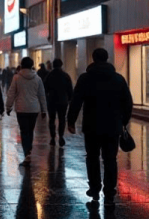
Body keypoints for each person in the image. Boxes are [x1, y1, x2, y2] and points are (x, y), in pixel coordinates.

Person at [68, 48, 133, 206]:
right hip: (113, 126)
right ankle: (110, 193)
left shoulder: (85, 78)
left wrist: (70, 121)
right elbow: (128, 102)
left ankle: (95, 189)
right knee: (110, 159)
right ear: (107, 58)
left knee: (92, 158)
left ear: (93, 58)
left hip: (91, 126)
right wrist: (123, 121)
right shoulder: (118, 79)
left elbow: (76, 101)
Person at [6, 57, 48, 166]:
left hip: (21, 109)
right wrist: (44, 110)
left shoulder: (16, 78)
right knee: (30, 130)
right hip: (34, 109)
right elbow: (42, 95)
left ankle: (27, 154)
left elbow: (11, 93)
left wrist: (8, 106)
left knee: (24, 131)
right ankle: (29, 151)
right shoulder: (37, 78)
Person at [44, 58, 74, 148]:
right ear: (61, 65)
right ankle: (61, 136)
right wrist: (69, 99)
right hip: (63, 101)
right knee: (62, 119)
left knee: (52, 119)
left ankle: (52, 138)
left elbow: (45, 89)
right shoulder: (65, 75)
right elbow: (70, 89)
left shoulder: (49, 75)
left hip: (52, 100)